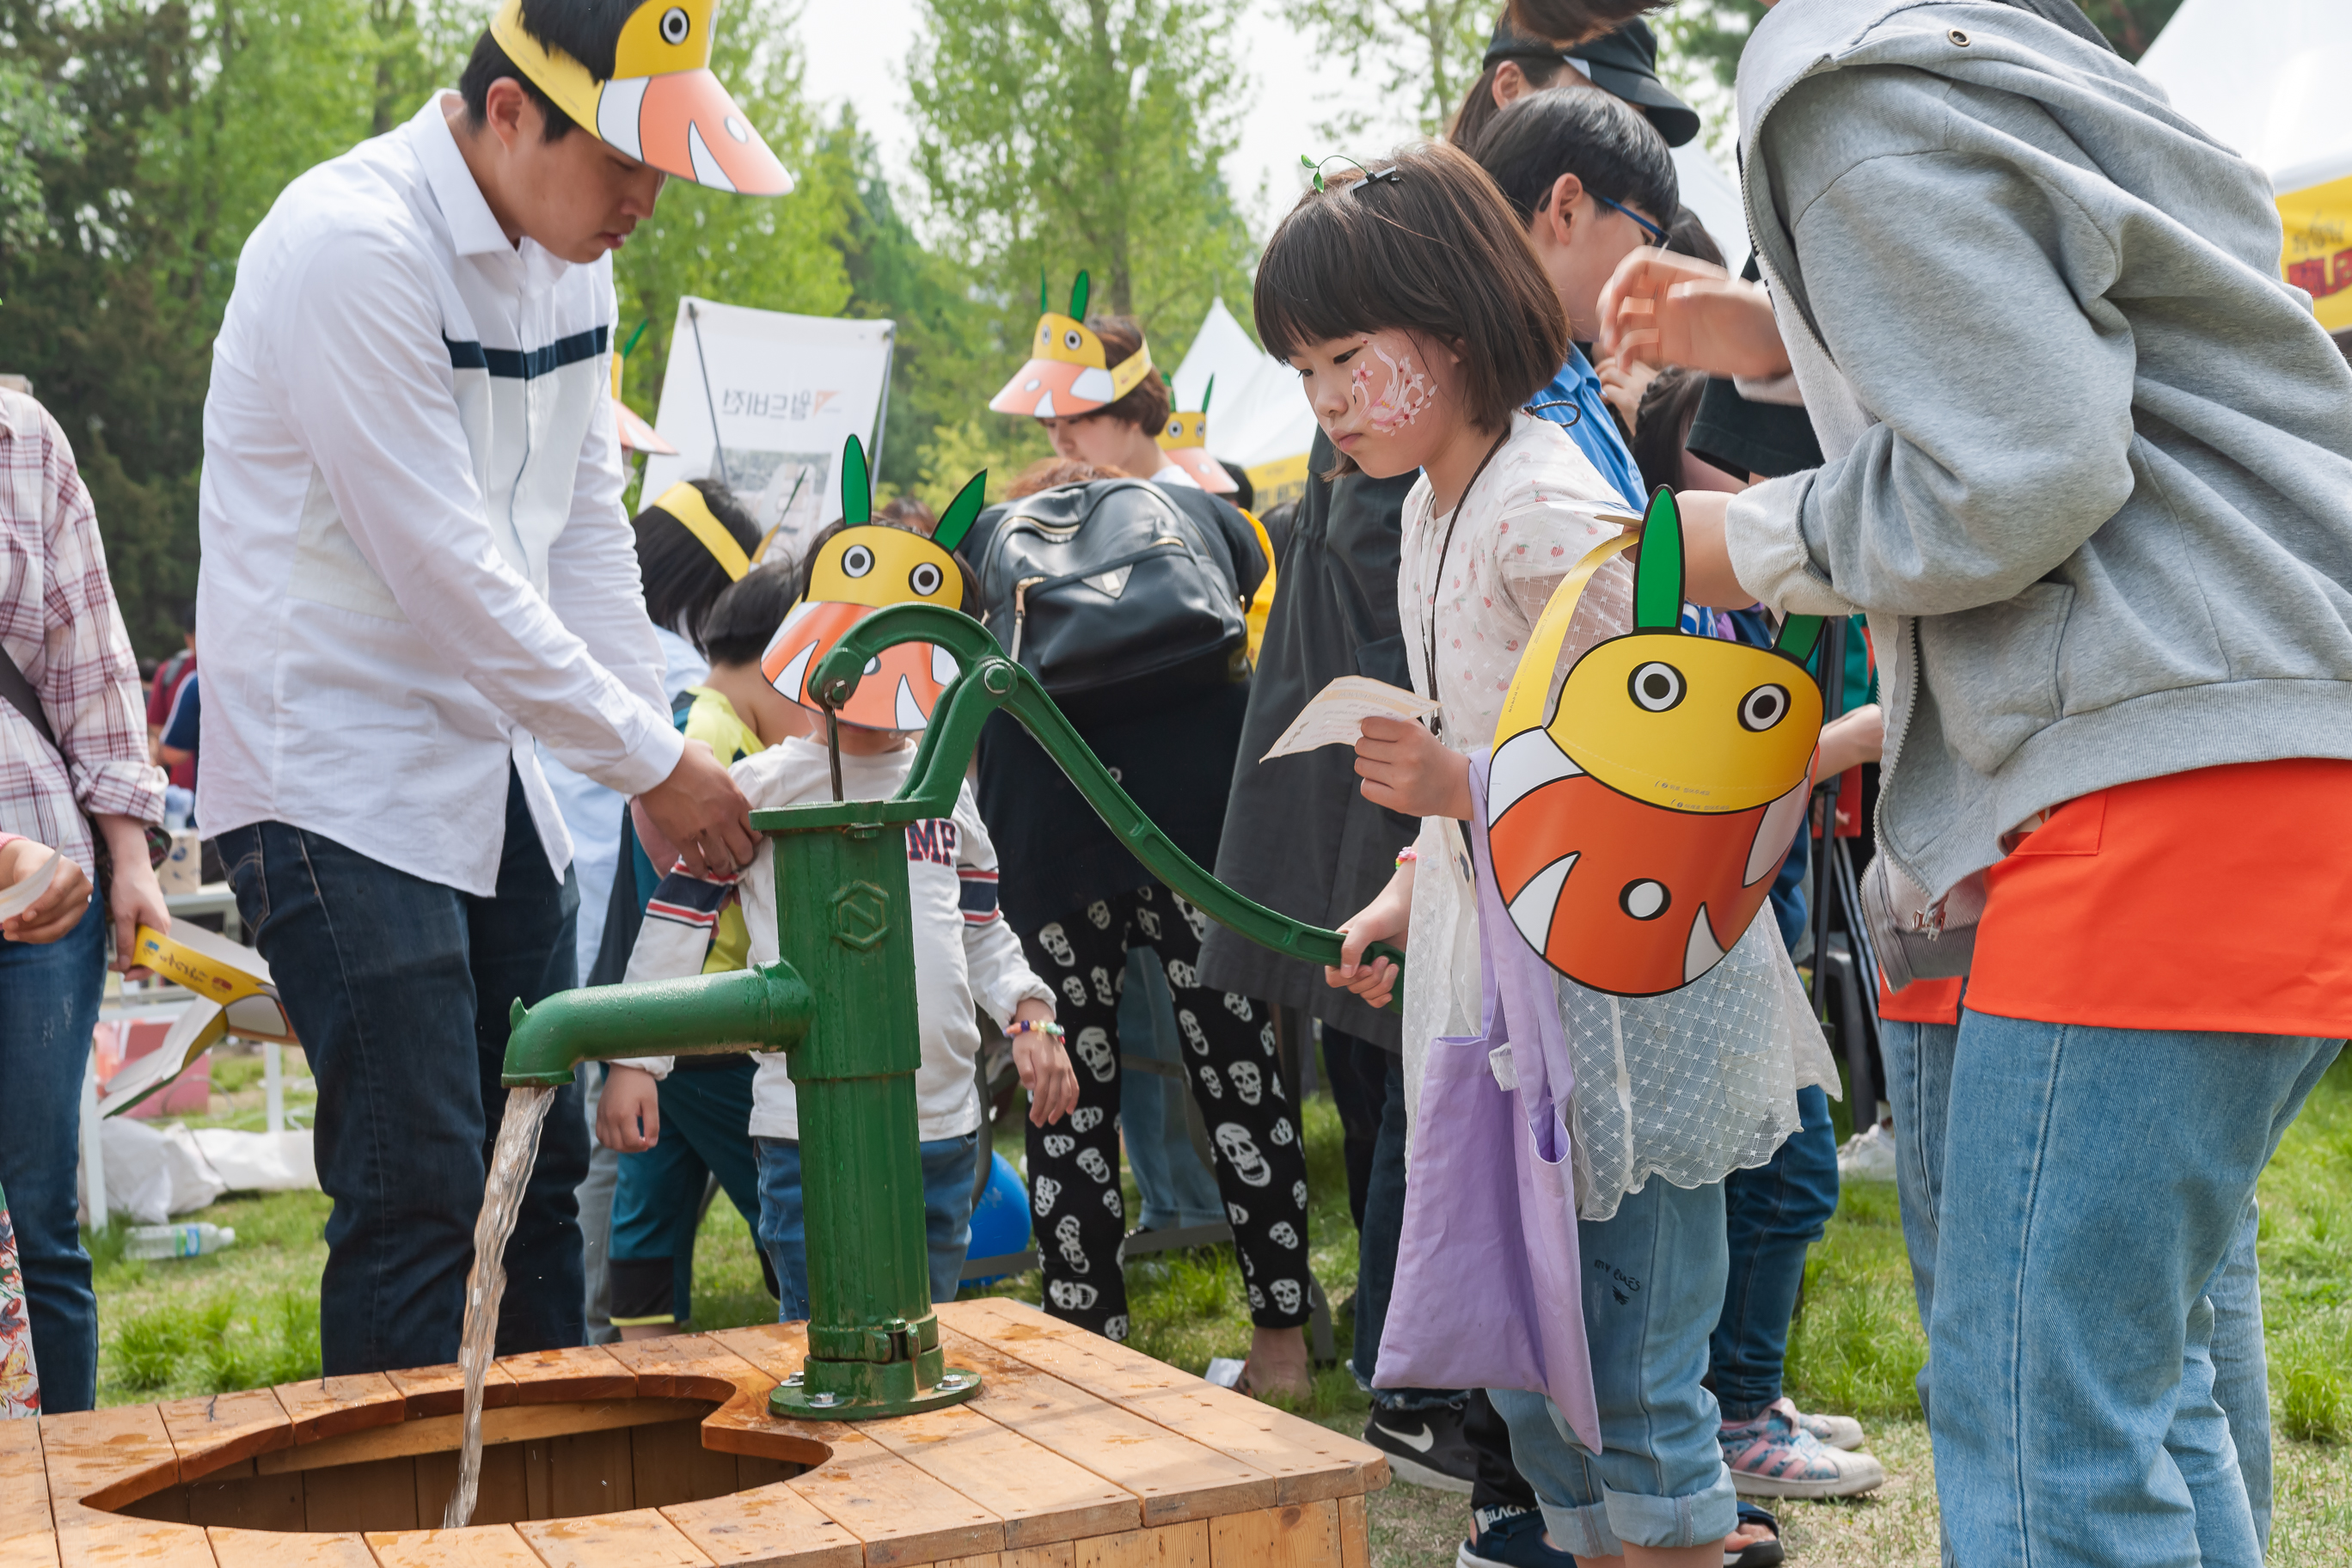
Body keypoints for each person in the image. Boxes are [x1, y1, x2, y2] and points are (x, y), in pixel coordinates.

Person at [1568, 0, 2352, 1557]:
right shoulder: (2022, 59)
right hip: (2226, 743)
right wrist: (1781, 337)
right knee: (2145, 1366)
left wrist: (1743, 537)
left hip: (2133, 762)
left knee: (2043, 1410)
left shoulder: (1843, 86)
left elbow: (2023, 462)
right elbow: (2050, 341)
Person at [1262, 138, 1831, 1568]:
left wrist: (1464, 783)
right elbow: (1464, 724)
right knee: (1532, 1351)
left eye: (1344, 356)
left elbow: (1669, 760)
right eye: (1303, 368)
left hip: (1612, 984)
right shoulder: (1424, 507)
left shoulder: (1542, 505)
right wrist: (1405, 878)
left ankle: (1677, 1537)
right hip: (1502, 972)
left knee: (1630, 1342)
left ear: (1448, 329)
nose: (1325, 398)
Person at [199, 0, 791, 1375]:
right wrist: (651, 762)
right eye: (624, 159)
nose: (647, 198)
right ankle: (411, 1522)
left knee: (537, 1171)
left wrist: (635, 750)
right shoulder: (352, 246)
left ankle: (539, 1500)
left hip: (500, 772)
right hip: (337, 775)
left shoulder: (573, 266)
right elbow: (446, 569)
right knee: (420, 1183)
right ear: (510, 108)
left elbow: (584, 531)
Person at [614, 504, 1079, 1317]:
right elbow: (680, 917)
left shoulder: (947, 798)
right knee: (822, 1329)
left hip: (943, 1127)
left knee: (921, 1326)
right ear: (815, 639)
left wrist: (1032, 1014)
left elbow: (983, 934)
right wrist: (635, 1062)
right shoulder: (760, 789)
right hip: (806, 1128)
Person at [978, 296, 1309, 1393]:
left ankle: (1088, 1352)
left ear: (1130, 405)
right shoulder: (1211, 511)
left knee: (1069, 1089)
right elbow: (1247, 603)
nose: (1061, 441)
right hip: (1191, 825)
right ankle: (1283, 1346)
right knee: (1239, 1073)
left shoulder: (1002, 525)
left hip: (1050, 823)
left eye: (1075, 417)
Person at [0, 387, 170, 1413]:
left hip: (42, 896)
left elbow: (93, 664)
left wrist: (131, 860)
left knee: (37, 1215)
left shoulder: (24, 440)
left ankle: (60, 1502)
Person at [591, 562, 805, 1338]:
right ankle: (809, 1319)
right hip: (716, 1016)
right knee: (786, 1190)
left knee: (651, 1204)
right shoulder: (711, 741)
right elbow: (690, 898)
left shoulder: (702, 722)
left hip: (672, 1020)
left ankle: (644, 1353)